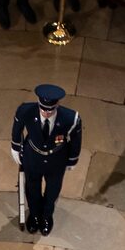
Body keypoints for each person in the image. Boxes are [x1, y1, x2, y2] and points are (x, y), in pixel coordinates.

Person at [11, 83, 82, 236]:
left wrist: (72, 160)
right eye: (43, 109)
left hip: (56, 160)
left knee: (52, 191)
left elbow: (75, 140)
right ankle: (35, 216)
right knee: (32, 188)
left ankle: (46, 217)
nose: (46, 113)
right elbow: (17, 129)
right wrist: (15, 147)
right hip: (33, 157)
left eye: (50, 110)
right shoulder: (26, 111)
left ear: (57, 105)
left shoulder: (70, 118)